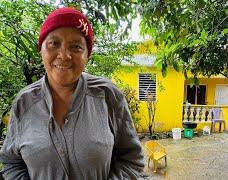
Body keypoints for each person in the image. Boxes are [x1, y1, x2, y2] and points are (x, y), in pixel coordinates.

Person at [0, 7, 145, 180]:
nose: (64, 55)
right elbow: (11, 163)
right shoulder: (24, 102)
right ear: (41, 50)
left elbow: (132, 160)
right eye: (54, 43)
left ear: (87, 55)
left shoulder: (108, 96)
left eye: (76, 46)